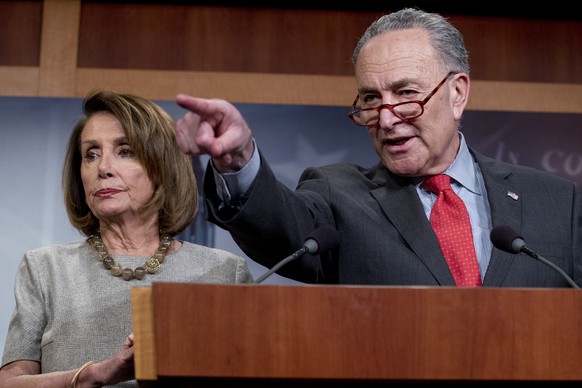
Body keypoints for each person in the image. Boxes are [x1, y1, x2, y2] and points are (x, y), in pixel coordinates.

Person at [172, 7, 582, 288]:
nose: (386, 119)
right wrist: (238, 158)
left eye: (405, 93)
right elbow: (283, 227)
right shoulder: (339, 196)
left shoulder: (558, 203)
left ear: (457, 94)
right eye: (370, 99)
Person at [0, 90, 254, 387]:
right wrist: (88, 377)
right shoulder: (45, 268)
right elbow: (9, 381)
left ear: (163, 167)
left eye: (125, 151)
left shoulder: (225, 273)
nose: (103, 168)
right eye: (90, 154)